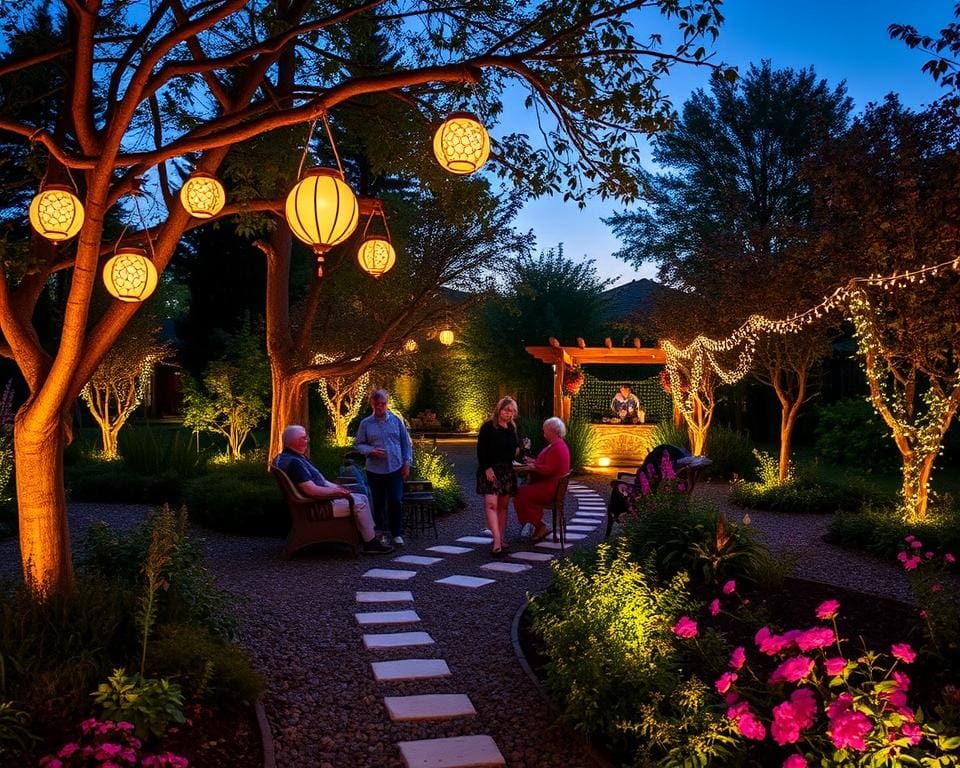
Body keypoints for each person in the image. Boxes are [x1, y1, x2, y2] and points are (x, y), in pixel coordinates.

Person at [274, 424, 393, 554]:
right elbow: (311, 490)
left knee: (362, 497)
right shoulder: (295, 463)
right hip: (317, 507)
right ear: (294, 441)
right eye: (303, 438)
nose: (307, 440)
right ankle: (370, 542)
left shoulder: (289, 457)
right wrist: (337, 492)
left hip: (317, 502)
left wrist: (337, 487)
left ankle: (368, 535)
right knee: (359, 503)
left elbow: (321, 482)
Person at [354, 389, 413, 546]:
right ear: (372, 404)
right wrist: (370, 451)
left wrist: (407, 462)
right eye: (377, 404)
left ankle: (396, 533)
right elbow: (359, 444)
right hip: (375, 470)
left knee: (395, 500)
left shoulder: (396, 421)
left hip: (395, 467)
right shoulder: (366, 424)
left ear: (387, 404)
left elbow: (405, 443)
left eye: (383, 404)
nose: (380, 407)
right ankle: (380, 533)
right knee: (378, 502)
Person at [476, 396, 521, 556]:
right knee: (491, 504)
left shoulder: (512, 429)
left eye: (512, 411)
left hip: (506, 471)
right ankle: (496, 540)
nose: (508, 413)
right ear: (499, 409)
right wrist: (486, 467)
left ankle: (500, 537)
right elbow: (481, 449)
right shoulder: (488, 427)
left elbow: (514, 451)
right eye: (506, 409)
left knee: (502, 506)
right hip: (490, 469)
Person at [514, 417, 571, 542]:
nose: (543, 433)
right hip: (552, 485)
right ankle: (536, 524)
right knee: (522, 492)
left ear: (553, 431)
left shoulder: (557, 447)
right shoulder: (558, 445)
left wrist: (532, 466)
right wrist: (533, 462)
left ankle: (540, 526)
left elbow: (549, 470)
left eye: (545, 430)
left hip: (551, 488)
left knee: (520, 494)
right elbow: (549, 464)